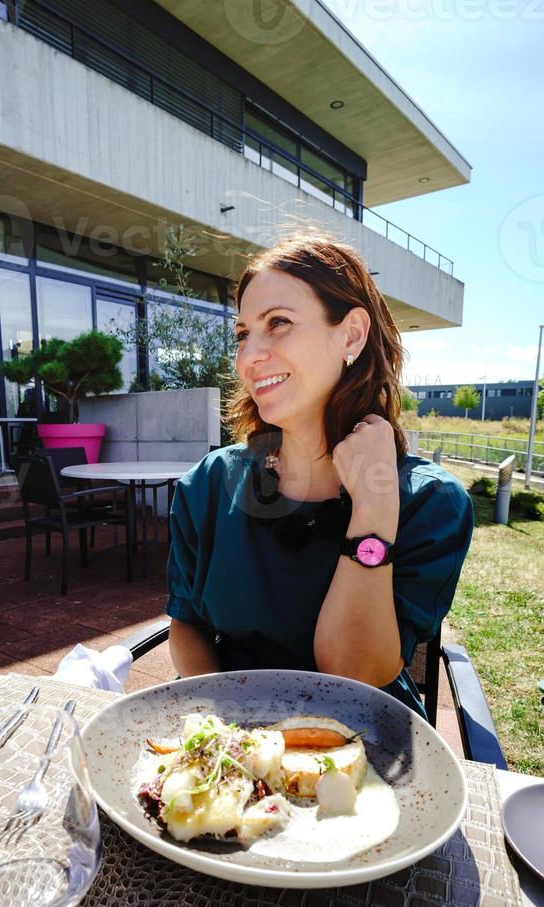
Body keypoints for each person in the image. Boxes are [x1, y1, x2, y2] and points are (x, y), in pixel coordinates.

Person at [165, 233, 474, 718]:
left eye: (279, 323)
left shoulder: (431, 502)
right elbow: (186, 625)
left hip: (361, 750)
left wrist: (373, 508)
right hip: (235, 741)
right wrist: (227, 726)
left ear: (350, 335)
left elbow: (353, 673)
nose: (249, 358)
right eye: (243, 334)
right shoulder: (209, 484)